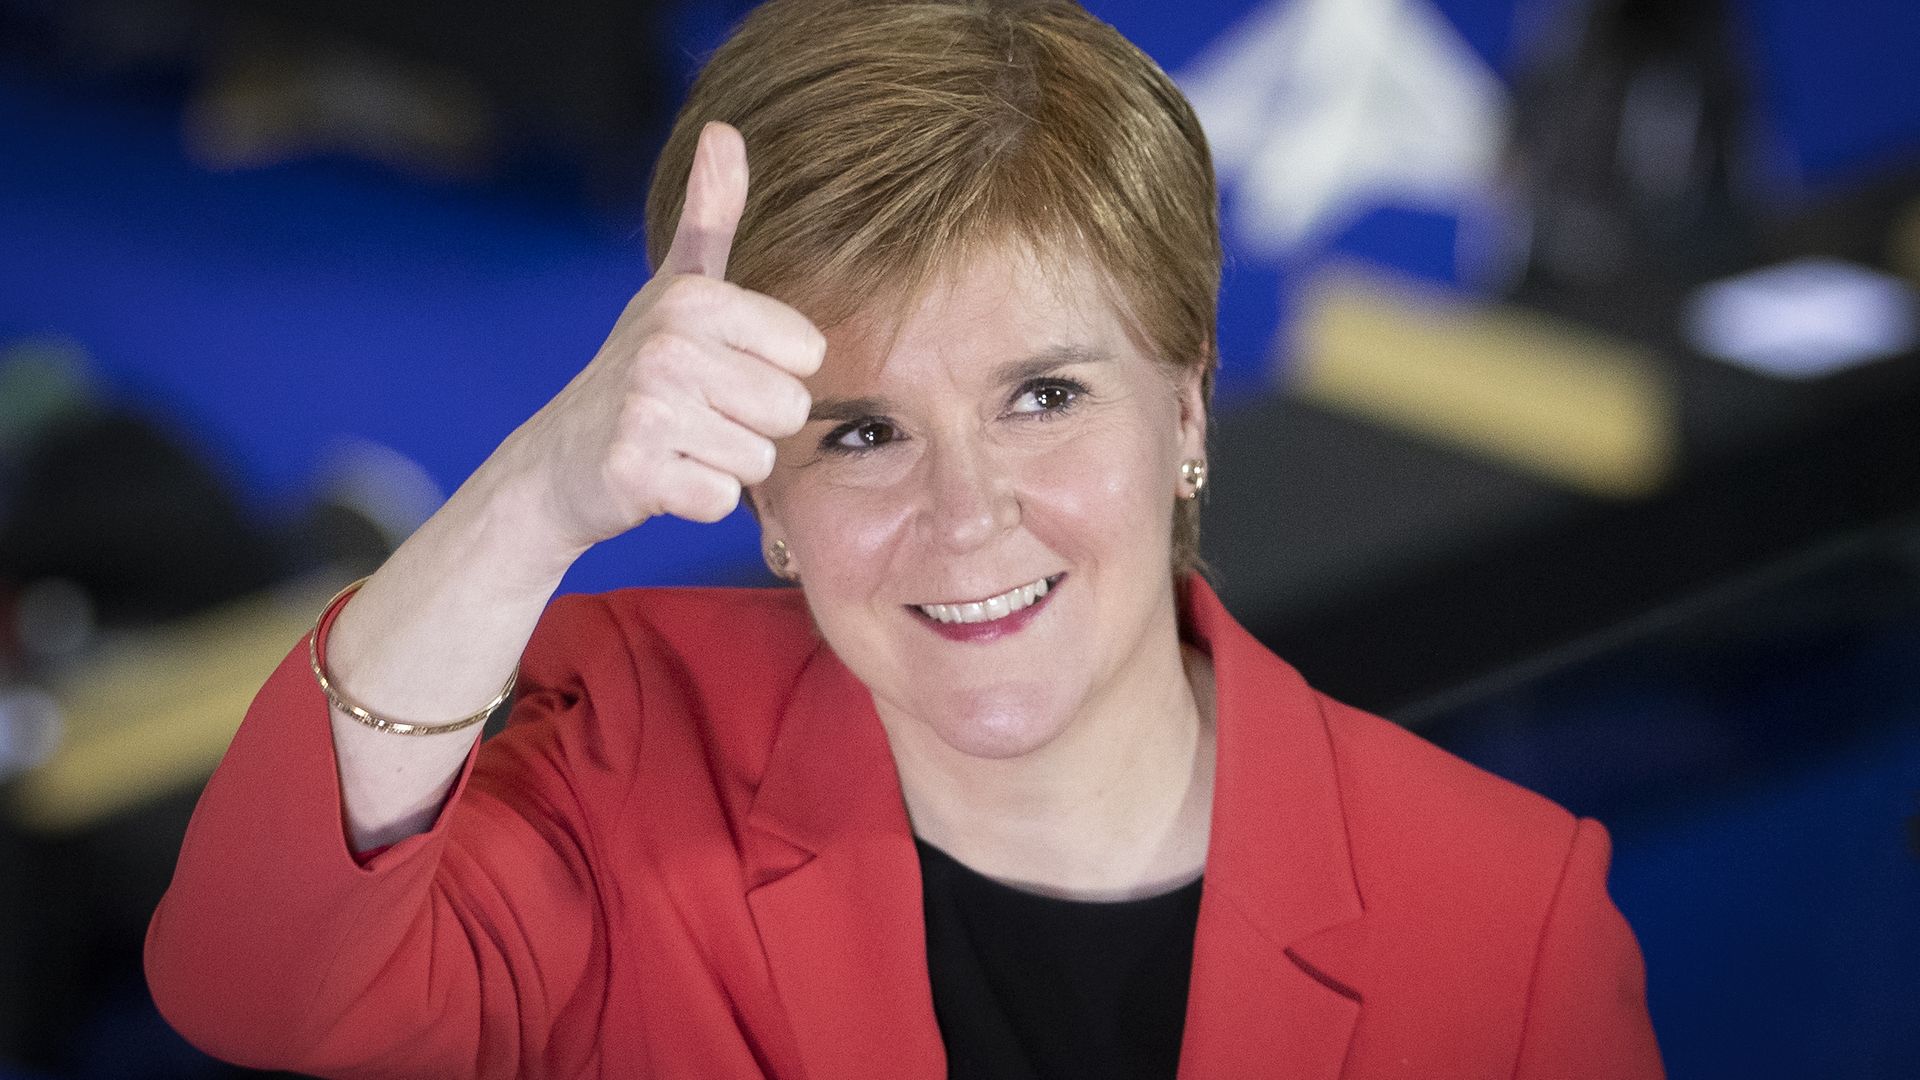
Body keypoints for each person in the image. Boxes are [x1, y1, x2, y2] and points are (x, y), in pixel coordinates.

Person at [145, 1, 1664, 1077]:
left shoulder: (1504, 925)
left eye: (1045, 396)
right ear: (763, 495)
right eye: (859, 432)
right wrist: (539, 491)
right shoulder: (618, 763)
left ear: (1190, 407)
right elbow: (265, 985)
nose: (966, 517)